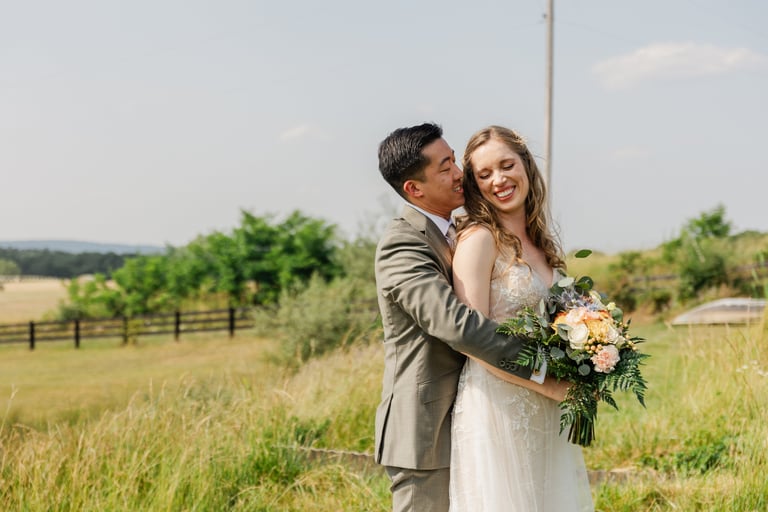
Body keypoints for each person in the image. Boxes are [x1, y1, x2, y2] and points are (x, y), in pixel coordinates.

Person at [374, 122, 569, 512]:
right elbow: (458, 325)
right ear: (414, 188)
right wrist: (544, 374)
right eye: (445, 167)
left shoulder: (462, 231)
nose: (459, 173)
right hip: (427, 430)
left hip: (491, 413)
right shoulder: (402, 244)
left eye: (454, 160)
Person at [448, 125, 594, 511]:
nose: (499, 179)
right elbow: (471, 341)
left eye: (506, 165)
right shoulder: (479, 240)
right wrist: (551, 385)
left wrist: (594, 353)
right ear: (475, 185)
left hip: (547, 406)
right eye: (485, 174)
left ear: (526, 165)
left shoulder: (541, 243)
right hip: (499, 406)